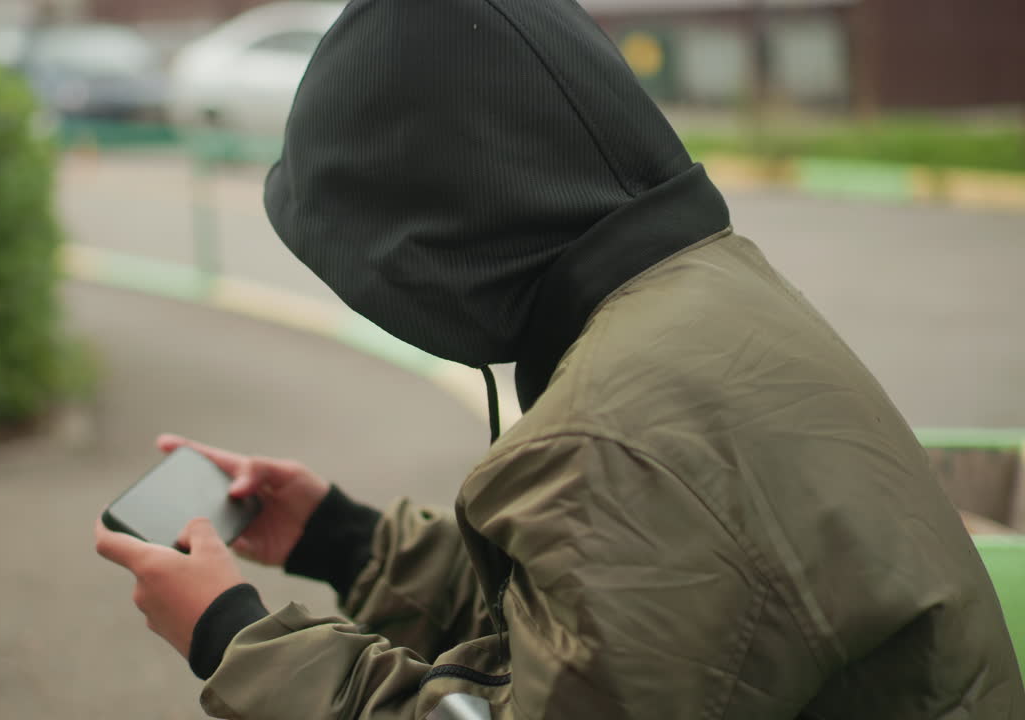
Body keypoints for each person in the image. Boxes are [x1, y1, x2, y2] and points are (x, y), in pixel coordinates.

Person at [94, 0, 1025, 717]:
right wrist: (343, 538)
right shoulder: (701, 292)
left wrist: (232, 637)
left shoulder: (614, 441)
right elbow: (618, 620)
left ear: (432, 232)